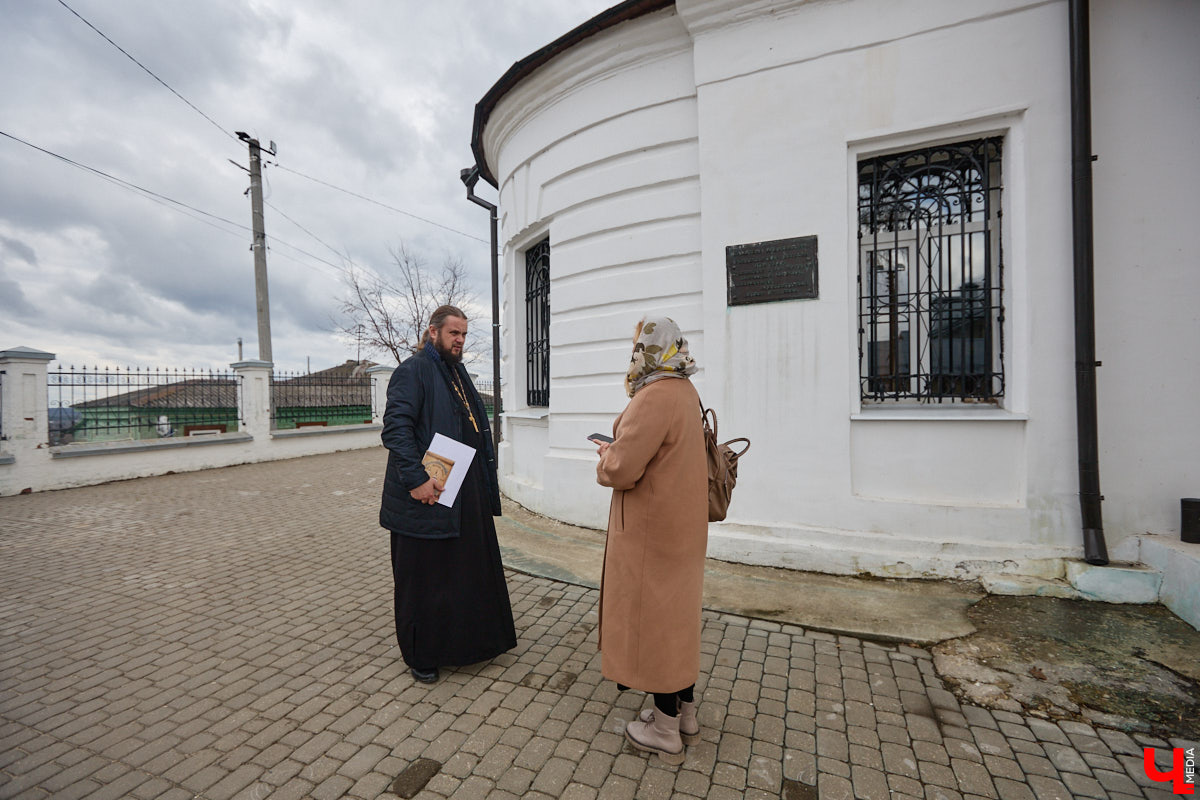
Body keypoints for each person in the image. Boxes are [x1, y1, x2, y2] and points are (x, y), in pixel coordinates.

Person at [379, 305, 516, 683]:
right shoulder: (413, 370)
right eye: (453, 333)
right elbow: (396, 430)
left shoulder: (457, 373)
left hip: (460, 491)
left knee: (460, 573)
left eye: (464, 335)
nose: (459, 341)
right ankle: (421, 655)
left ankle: (466, 645)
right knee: (423, 579)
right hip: (423, 495)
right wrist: (416, 479)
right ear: (433, 332)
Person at [595, 316, 708, 765]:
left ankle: (663, 731)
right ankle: (685, 715)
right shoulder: (685, 390)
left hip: (651, 534)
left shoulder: (653, 395)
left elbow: (623, 469)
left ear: (645, 348)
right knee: (678, 622)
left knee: (658, 627)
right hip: (682, 528)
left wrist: (606, 456)